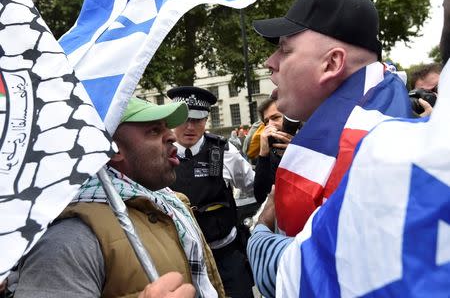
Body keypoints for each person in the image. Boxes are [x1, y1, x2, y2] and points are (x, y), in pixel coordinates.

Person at [246, 0, 412, 297]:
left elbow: (324, 277)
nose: (271, 62)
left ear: (332, 64)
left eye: (284, 48)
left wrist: (259, 232)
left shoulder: (368, 150)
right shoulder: (377, 123)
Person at [13, 98, 225, 298]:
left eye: (166, 128)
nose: (171, 136)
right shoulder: (69, 239)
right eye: (154, 130)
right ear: (112, 150)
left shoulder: (171, 204)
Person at [167, 86, 255, 298]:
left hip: (225, 255)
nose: (190, 127)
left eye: (197, 120)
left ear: (206, 120)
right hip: (181, 261)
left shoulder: (224, 151)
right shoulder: (160, 153)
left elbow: (253, 187)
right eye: (184, 119)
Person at [253, 98, 294, 204]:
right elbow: (261, 197)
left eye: (275, 118)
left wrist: (297, 150)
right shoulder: (269, 152)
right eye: (266, 121)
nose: (270, 125)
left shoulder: (309, 141)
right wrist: (263, 155)